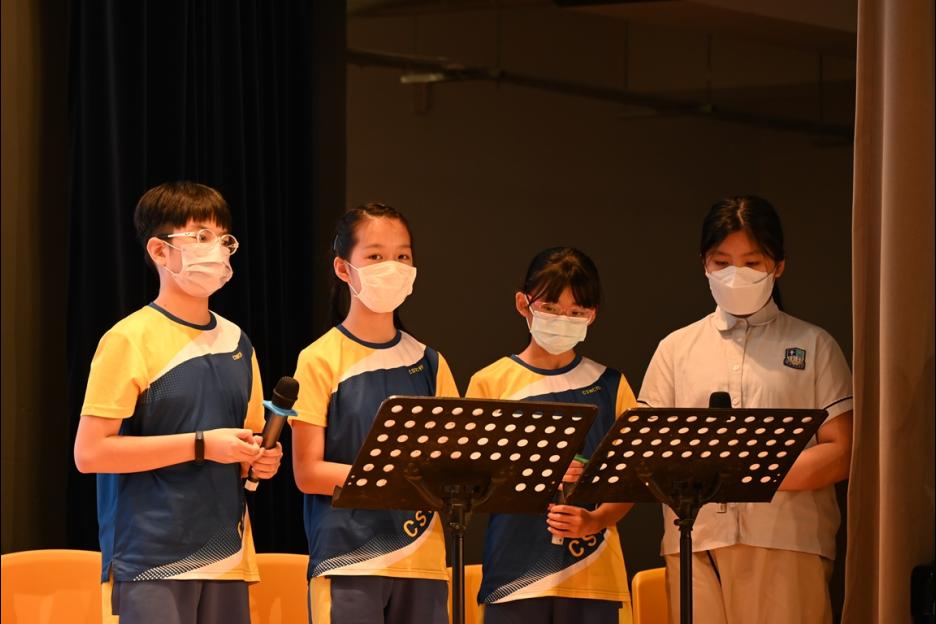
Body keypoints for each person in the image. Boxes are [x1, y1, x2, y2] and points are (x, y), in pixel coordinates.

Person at [74, 181, 283, 624]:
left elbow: (245, 443)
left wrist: (259, 458)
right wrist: (201, 444)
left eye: (223, 239)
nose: (217, 250)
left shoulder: (237, 341)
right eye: (201, 237)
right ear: (159, 250)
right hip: (150, 559)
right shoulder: (129, 338)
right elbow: (90, 453)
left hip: (227, 555)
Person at [638, 195, 853, 624]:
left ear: (778, 265)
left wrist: (753, 474)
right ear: (704, 264)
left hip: (788, 539)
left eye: (752, 263)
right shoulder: (676, 349)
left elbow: (842, 450)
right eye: (722, 262)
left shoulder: (814, 345)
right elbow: (645, 445)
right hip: (695, 540)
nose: (736, 274)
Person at [290, 202, 459, 624]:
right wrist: (391, 477)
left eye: (402, 256)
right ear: (343, 269)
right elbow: (307, 472)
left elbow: (452, 462)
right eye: (376, 256)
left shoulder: (431, 362)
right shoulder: (319, 358)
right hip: (347, 557)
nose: (392, 267)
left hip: (423, 558)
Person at [466, 247, 635, 624]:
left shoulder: (611, 385)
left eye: (576, 312)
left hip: (593, 574)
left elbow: (630, 481)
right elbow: (472, 483)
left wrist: (595, 520)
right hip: (515, 574)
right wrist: (534, 474)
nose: (563, 320)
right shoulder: (490, 382)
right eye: (551, 308)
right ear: (523, 304)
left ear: (592, 315)